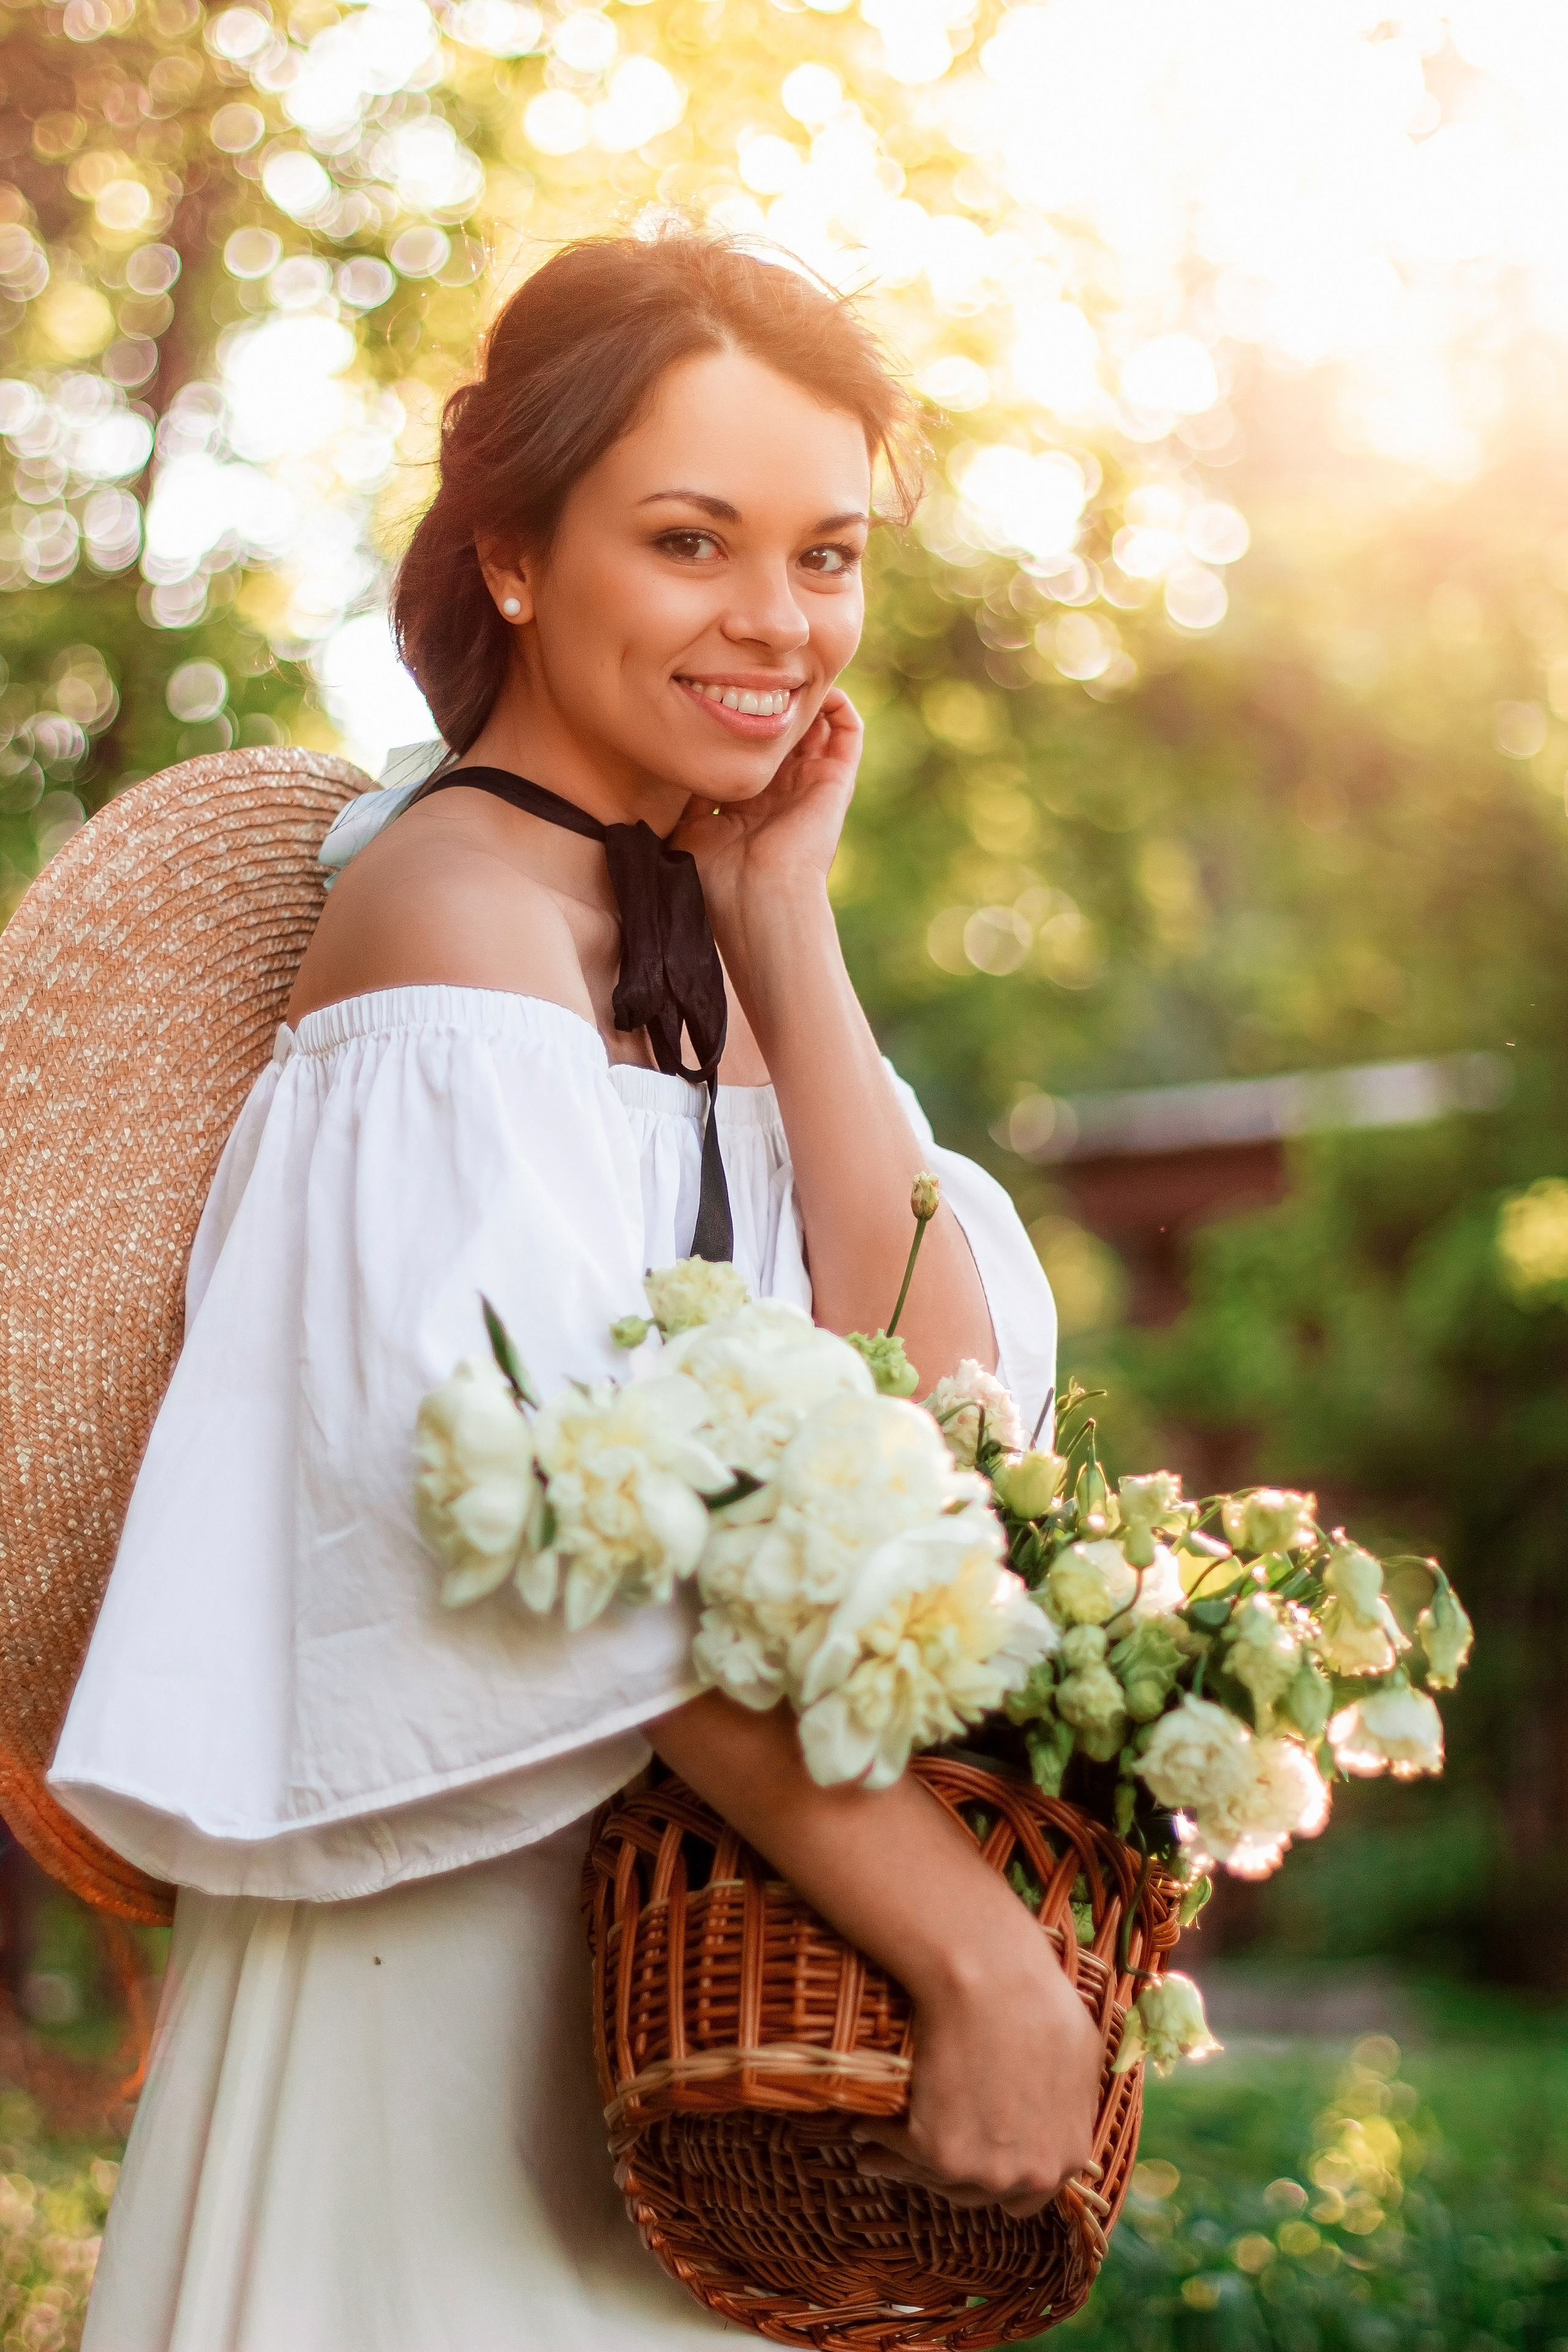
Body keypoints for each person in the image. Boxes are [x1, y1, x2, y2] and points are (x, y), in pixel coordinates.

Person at [53, 231, 1100, 2352]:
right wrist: (975, 1950)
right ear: (517, 556)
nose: (777, 622)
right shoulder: (456, 924)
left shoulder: (696, 928)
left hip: (704, 1985)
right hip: (450, 1979)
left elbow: (949, 1399)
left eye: (826, 556)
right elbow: (541, 1547)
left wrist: (784, 922)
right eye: (692, 541)